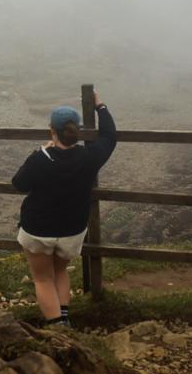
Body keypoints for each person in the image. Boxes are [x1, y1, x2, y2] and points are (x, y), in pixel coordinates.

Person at [11, 93, 117, 325]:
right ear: (76, 130)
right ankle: (64, 320)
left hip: (38, 228)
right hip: (72, 228)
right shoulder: (90, 156)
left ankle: (57, 328)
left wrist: (38, 152)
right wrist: (101, 106)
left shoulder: (41, 159)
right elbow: (110, 136)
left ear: (53, 131)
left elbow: (18, 183)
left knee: (42, 279)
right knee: (60, 271)